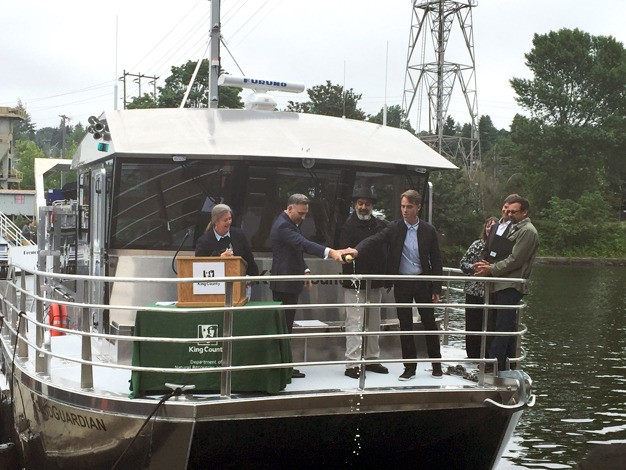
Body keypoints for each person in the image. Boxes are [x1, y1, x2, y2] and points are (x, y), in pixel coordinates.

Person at [352, 189, 444, 380]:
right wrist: (356, 250)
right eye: (402, 206)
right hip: (402, 282)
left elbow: (436, 260)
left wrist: (436, 288)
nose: (405, 210)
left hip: (423, 282)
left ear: (418, 207)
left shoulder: (428, 230)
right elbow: (376, 240)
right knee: (405, 324)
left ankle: (437, 364)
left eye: (409, 207)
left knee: (429, 323)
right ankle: (409, 367)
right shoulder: (395, 228)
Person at [269, 193, 349, 378]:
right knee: (283, 328)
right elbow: (302, 244)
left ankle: (284, 367)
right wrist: (331, 252)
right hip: (284, 285)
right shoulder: (283, 226)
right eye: (300, 213)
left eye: (306, 214)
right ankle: (281, 369)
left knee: (286, 328)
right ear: (289, 208)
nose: (303, 217)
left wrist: (304, 269)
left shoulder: (289, 223)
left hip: (289, 282)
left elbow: (294, 250)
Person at [474, 195, 539, 372]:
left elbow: (515, 260)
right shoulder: (511, 227)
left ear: (525, 212)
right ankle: (496, 363)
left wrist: (492, 269)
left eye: (514, 212)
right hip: (499, 284)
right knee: (496, 325)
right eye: (508, 211)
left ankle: (495, 366)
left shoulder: (528, 231)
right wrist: (488, 265)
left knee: (503, 327)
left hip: (510, 286)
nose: (509, 214)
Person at [339, 187, 389, 379]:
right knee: (354, 323)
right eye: (360, 203)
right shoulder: (347, 227)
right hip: (354, 283)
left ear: (372, 206)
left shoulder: (380, 225)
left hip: (375, 282)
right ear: (355, 205)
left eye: (367, 204)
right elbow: (344, 254)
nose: (363, 207)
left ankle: (372, 359)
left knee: (374, 322)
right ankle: (352, 363)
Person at [459, 216, 498, 359]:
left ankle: (487, 357)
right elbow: (463, 264)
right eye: (488, 226)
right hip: (473, 291)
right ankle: (472, 356)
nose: (490, 229)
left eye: (493, 226)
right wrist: (472, 267)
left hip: (491, 292)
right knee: (472, 325)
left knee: (488, 326)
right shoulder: (476, 245)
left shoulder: (500, 248)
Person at [195, 204, 259, 276]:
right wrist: (219, 259)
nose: (229, 222)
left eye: (230, 218)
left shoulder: (239, 235)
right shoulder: (204, 241)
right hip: (214, 284)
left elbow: (249, 260)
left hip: (239, 282)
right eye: (225, 220)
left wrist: (249, 278)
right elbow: (199, 267)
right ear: (216, 222)